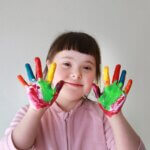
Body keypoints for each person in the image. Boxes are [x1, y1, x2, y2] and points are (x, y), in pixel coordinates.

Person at [0, 32, 145, 150]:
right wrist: (35, 111)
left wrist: (115, 116)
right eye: (67, 64)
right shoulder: (28, 112)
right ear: (50, 66)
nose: (76, 74)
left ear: (95, 75)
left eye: (87, 67)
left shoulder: (101, 116)